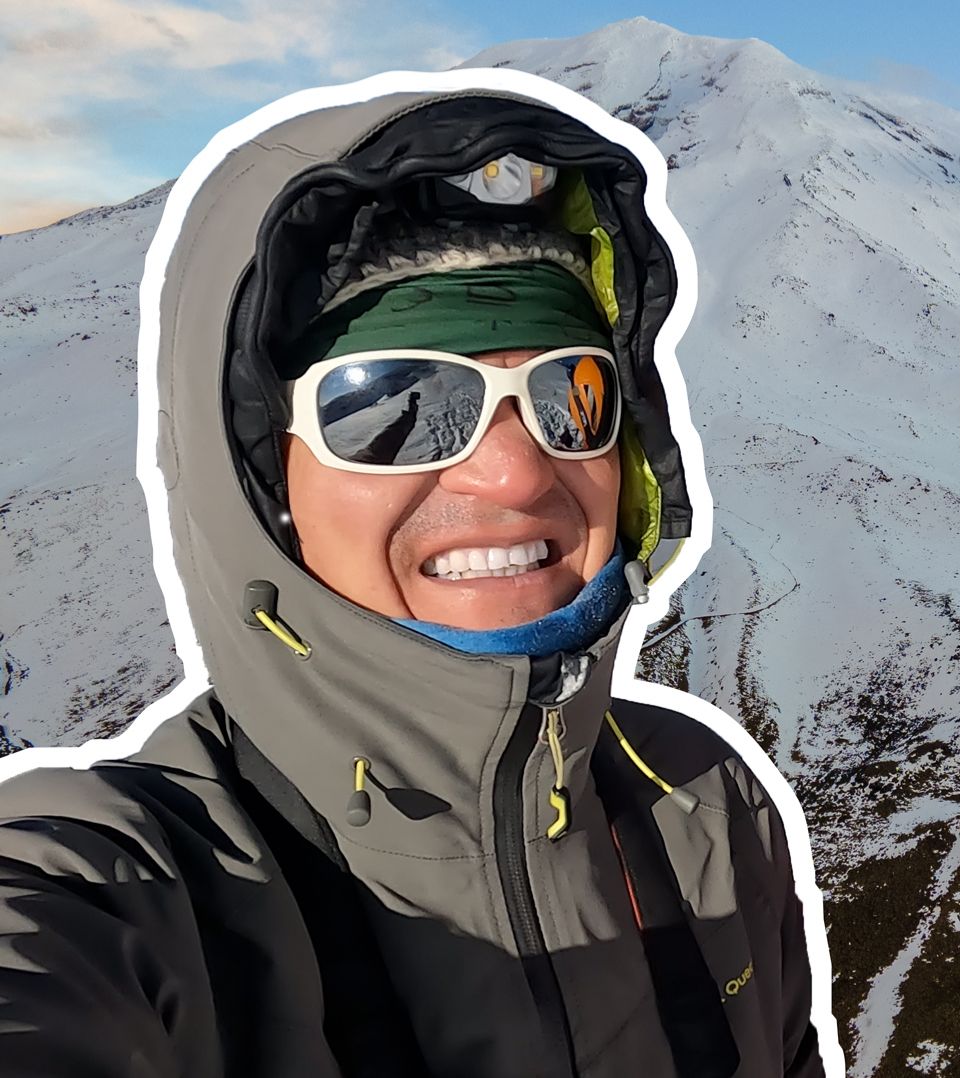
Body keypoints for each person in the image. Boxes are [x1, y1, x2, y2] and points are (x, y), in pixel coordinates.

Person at [0, 71, 833, 1077]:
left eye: (572, 394)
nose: (516, 471)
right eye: (394, 404)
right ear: (260, 479)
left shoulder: (700, 805)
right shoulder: (124, 889)